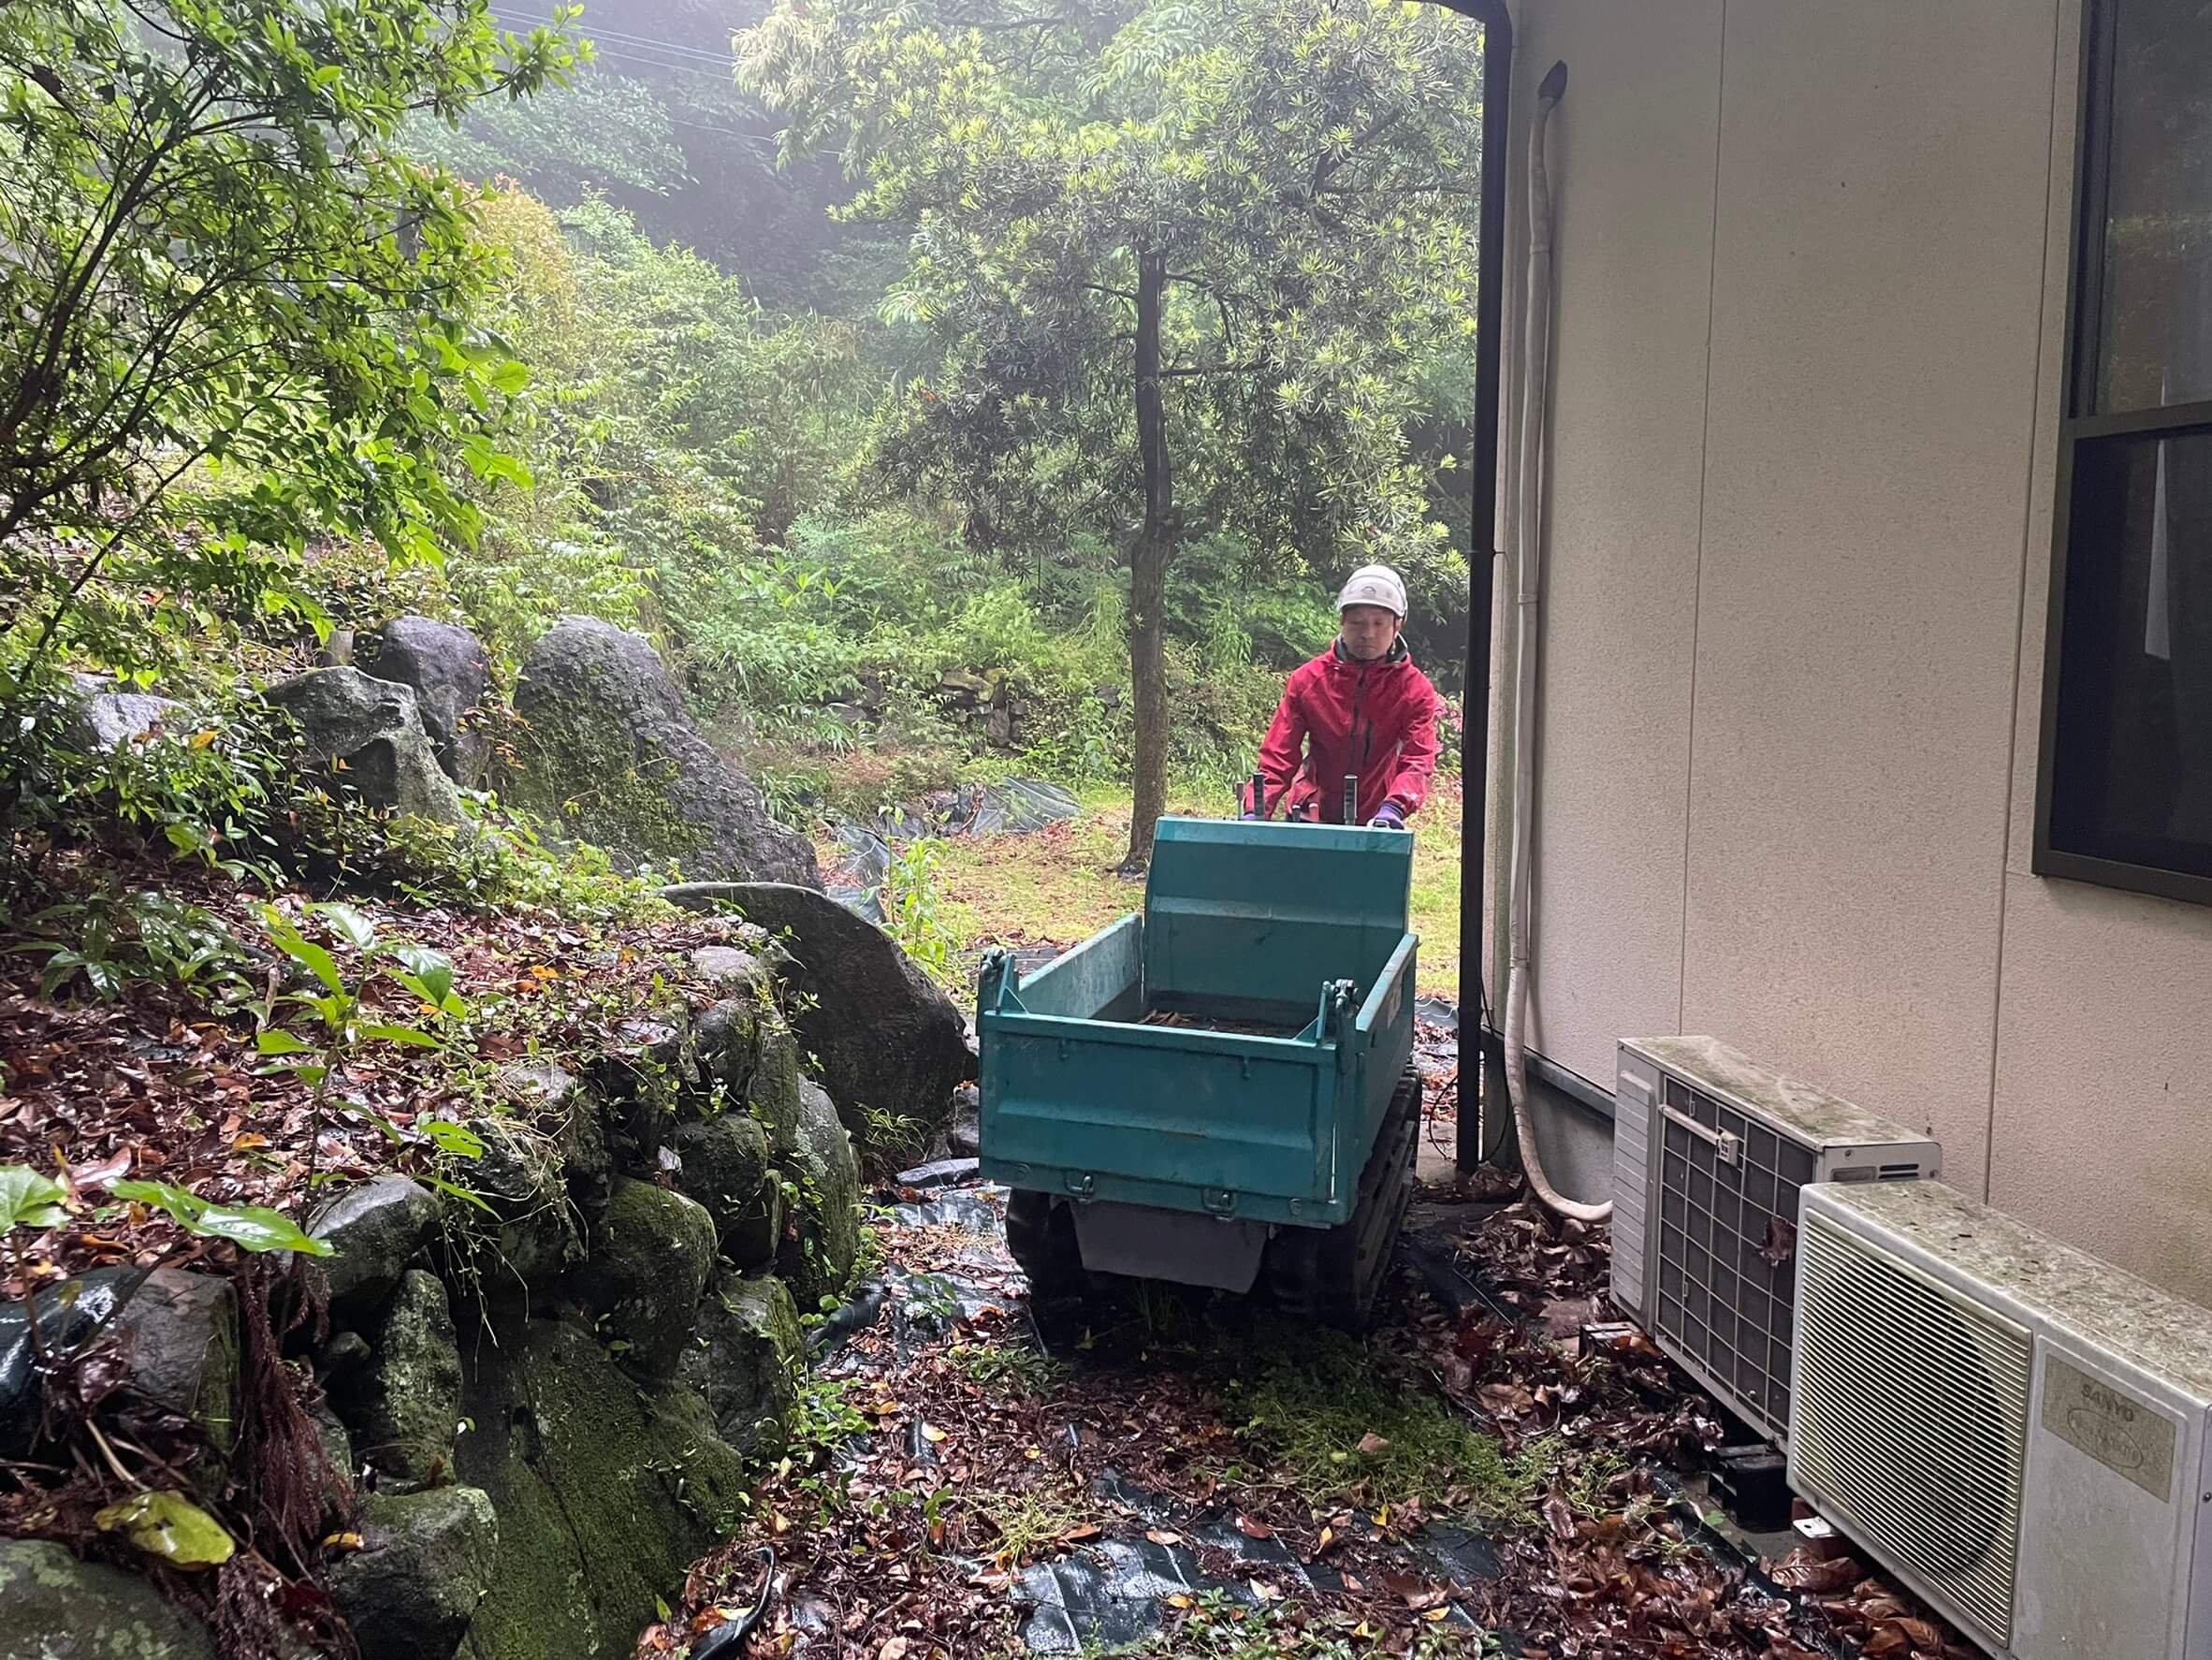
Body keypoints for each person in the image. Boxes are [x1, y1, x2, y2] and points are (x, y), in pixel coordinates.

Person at [1244, 563, 1441, 828]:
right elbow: (1278, 755)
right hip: (1310, 816)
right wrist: (1255, 808)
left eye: (1379, 623)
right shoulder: (1308, 680)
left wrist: (1395, 806)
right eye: (1357, 622)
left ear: (1398, 624)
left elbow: (1418, 759)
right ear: (1342, 621)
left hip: (1377, 820)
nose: (1367, 633)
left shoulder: (1415, 691)